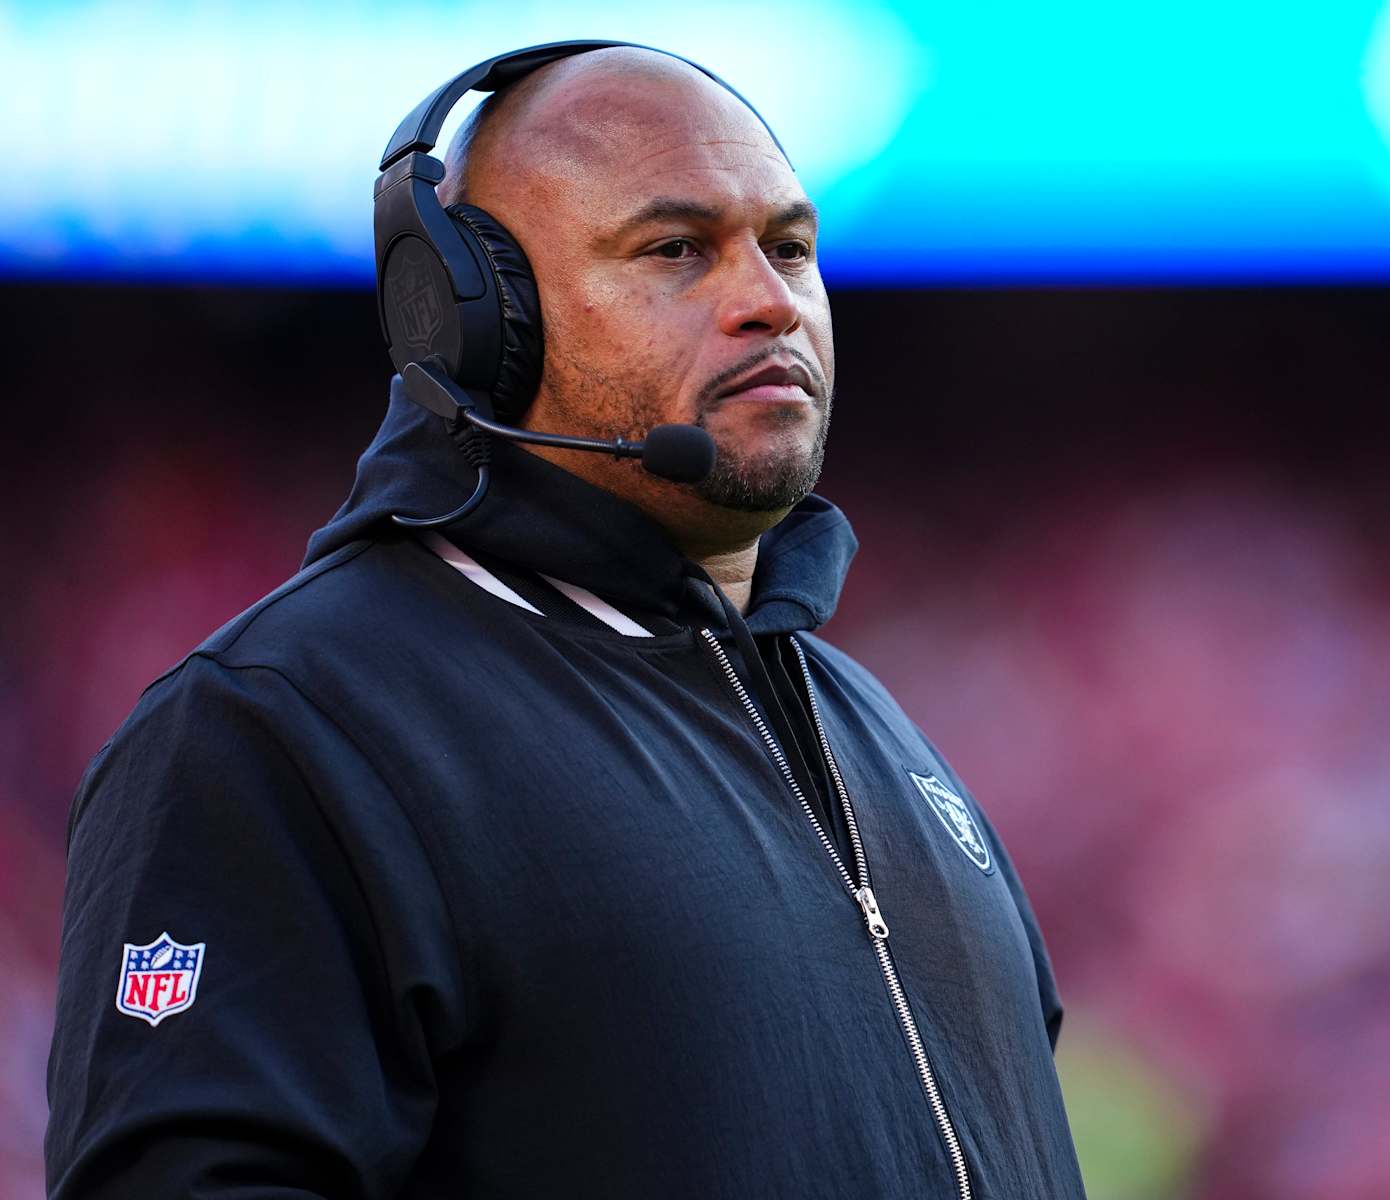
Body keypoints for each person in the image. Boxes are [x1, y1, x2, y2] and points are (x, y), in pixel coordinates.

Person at [45, 43, 1088, 1199]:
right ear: (475, 318)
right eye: (676, 249)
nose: (771, 301)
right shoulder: (286, 727)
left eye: (790, 248)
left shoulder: (879, 733)